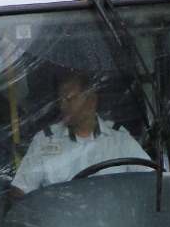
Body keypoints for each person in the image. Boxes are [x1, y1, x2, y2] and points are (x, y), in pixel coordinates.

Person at [9, 70, 151, 197]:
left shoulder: (120, 140)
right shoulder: (45, 141)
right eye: (60, 100)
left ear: (91, 101)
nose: (62, 106)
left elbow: (152, 180)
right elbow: (20, 192)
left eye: (69, 99)